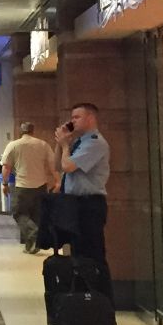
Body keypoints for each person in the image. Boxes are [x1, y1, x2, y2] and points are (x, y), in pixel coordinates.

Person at [55, 102, 111, 297]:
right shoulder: (78, 143)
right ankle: (82, 298)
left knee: (92, 253)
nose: (72, 121)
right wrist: (61, 143)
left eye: (77, 117)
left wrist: (64, 146)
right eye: (71, 117)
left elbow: (69, 166)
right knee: (77, 254)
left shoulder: (95, 142)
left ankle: (100, 299)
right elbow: (60, 165)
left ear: (90, 118)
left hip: (89, 204)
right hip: (75, 204)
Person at [0, 122, 56, 254]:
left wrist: (5, 183)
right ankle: (30, 246)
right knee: (36, 215)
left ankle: (34, 235)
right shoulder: (43, 144)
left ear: (21, 131)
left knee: (18, 213)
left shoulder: (13, 145)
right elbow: (52, 164)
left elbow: (6, 167)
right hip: (41, 186)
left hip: (22, 186)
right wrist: (57, 180)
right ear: (33, 131)